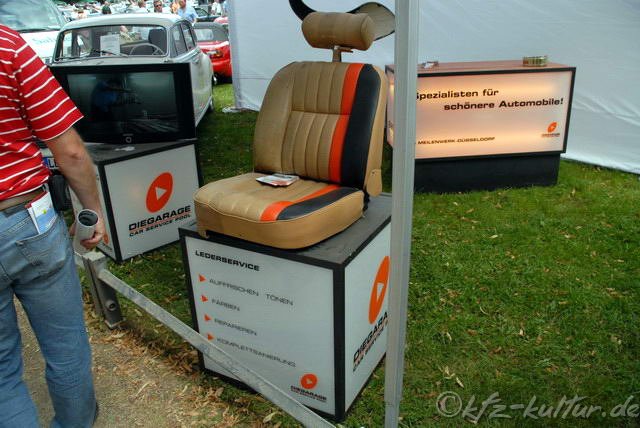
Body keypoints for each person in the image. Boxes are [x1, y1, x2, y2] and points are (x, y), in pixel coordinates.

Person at [0, 25, 104, 427]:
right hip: (27, 220)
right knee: (65, 345)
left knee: (2, 369)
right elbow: (71, 151)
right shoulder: (8, 45)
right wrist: (91, 210)